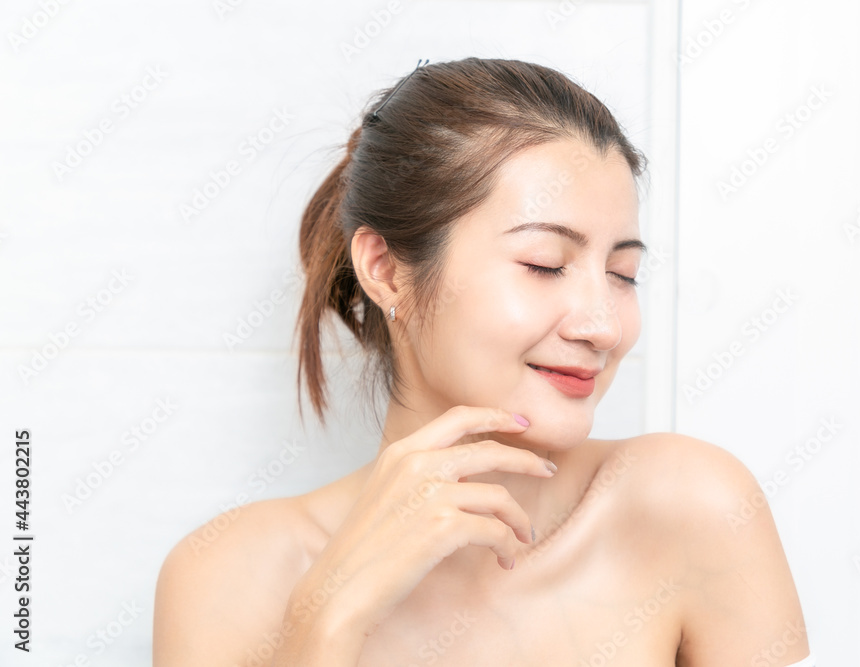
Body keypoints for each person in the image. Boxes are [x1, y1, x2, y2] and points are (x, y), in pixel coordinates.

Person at [152, 56, 814, 666]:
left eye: (622, 273)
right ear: (385, 270)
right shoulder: (227, 578)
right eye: (544, 264)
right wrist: (328, 617)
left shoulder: (692, 508)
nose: (603, 326)